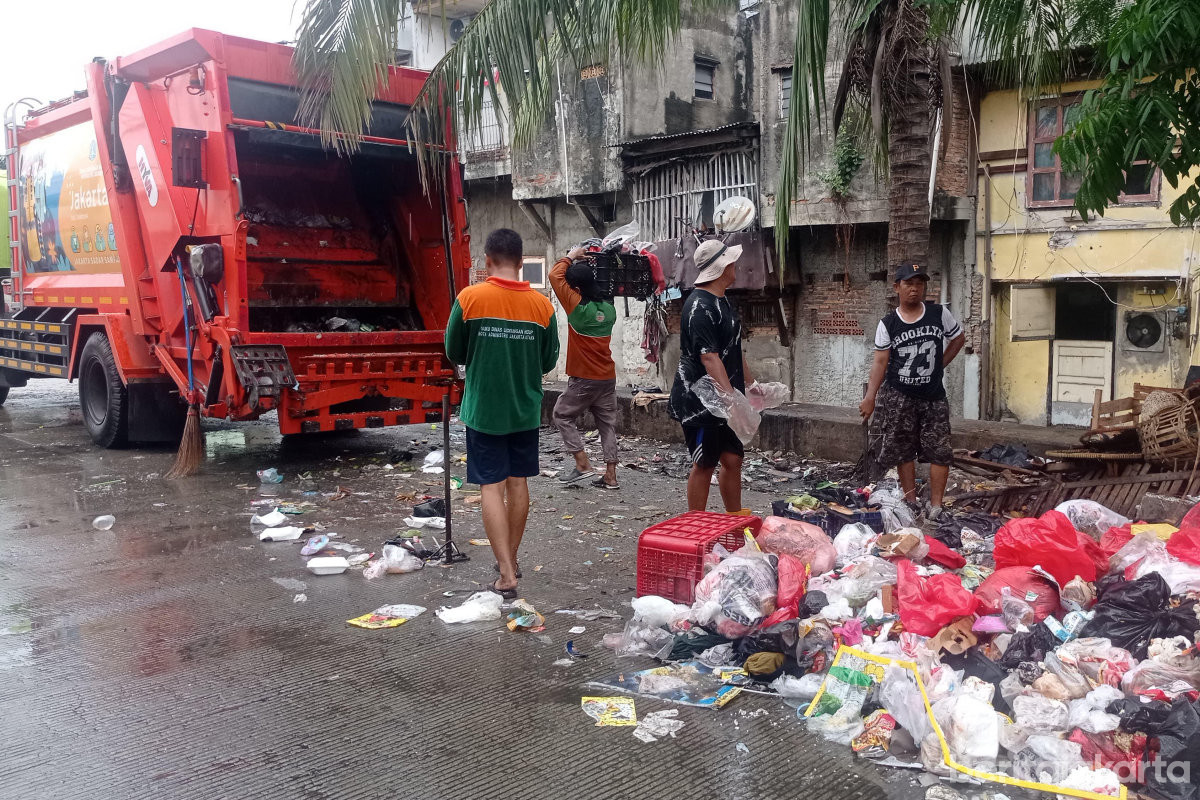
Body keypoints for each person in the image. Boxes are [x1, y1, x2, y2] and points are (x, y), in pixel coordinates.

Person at [444, 229, 559, 598]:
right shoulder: (543, 307)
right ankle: (511, 558)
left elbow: (454, 352)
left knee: (490, 486)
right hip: (524, 410)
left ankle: (506, 572)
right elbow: (548, 360)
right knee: (518, 483)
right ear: (521, 262)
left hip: (484, 411)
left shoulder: (470, 299)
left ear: (487, 260)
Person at [859, 262, 965, 522]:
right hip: (899, 395)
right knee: (903, 449)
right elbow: (880, 362)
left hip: (933, 396)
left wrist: (940, 364)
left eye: (919, 284)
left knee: (939, 450)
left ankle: (936, 505)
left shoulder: (938, 314)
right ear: (897, 287)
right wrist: (870, 397)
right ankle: (910, 501)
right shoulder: (888, 323)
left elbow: (958, 338)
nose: (915, 289)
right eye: (909, 284)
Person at [668, 239, 753, 513]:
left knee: (733, 459)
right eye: (731, 261)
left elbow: (733, 348)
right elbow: (709, 357)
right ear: (722, 267)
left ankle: (734, 517)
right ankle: (695, 522)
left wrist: (750, 384)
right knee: (704, 462)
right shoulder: (699, 306)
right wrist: (730, 399)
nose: (735, 265)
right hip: (700, 403)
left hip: (724, 398)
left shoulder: (722, 301)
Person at [548, 247, 621, 489]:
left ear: (576, 289)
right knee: (606, 425)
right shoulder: (609, 310)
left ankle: (582, 463)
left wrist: (571, 255)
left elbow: (554, 276)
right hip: (607, 378)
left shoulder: (578, 309)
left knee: (561, 414)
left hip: (584, 379)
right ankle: (610, 476)